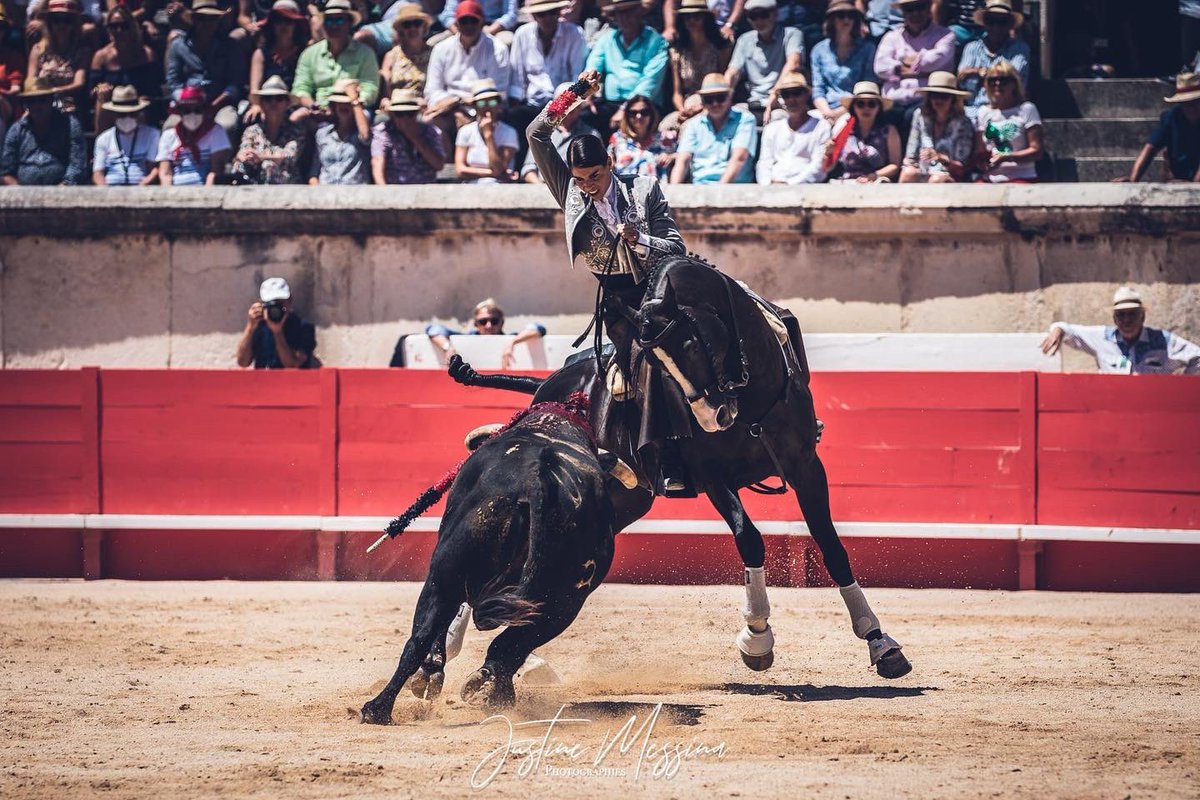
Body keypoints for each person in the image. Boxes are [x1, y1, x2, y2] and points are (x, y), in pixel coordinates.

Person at [526, 68, 689, 494]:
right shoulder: (570, 193)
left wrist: (641, 240)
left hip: (659, 293)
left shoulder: (644, 189)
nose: (588, 187)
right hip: (618, 305)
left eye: (595, 177)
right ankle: (668, 457)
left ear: (610, 165)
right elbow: (536, 133)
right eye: (580, 180)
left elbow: (676, 248)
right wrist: (576, 93)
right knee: (646, 361)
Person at [1040, 286, 1200, 375]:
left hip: (1153, 412)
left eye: (1132, 314)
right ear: (1114, 319)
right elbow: (1068, 330)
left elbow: (1197, 356)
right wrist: (1058, 330)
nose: (1127, 320)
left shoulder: (1162, 341)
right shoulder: (1103, 338)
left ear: (1143, 316)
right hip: (1112, 413)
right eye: (1121, 315)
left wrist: (1183, 387)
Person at [423, 0, 511, 146]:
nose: (469, 25)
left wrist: (472, 109)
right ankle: (445, 161)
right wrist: (457, 107)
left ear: (482, 22)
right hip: (450, 109)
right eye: (464, 21)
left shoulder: (497, 49)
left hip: (485, 109)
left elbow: (499, 92)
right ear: (456, 23)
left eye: (473, 20)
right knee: (429, 121)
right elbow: (432, 90)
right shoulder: (441, 49)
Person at [583, 0, 669, 133]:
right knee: (583, 116)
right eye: (620, 13)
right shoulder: (607, 39)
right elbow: (592, 67)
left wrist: (625, 109)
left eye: (629, 12)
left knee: (635, 117)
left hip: (643, 104)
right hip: (609, 103)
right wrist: (587, 92)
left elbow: (650, 82)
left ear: (639, 12)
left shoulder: (656, 41)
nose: (624, 18)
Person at [165, 0, 246, 137]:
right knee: (170, 128)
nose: (206, 24)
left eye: (212, 19)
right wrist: (188, 104)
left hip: (220, 104)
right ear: (194, 20)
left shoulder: (230, 46)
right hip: (186, 105)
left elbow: (235, 83)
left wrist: (215, 105)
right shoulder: (178, 46)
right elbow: (173, 82)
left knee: (227, 125)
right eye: (201, 18)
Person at [873, 0, 954, 137]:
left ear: (929, 8)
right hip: (893, 99)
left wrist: (901, 63)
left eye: (920, 7)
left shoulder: (946, 35)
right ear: (903, 13)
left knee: (913, 116)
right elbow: (880, 67)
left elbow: (933, 61)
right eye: (909, 9)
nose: (915, 13)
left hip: (925, 100)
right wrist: (922, 69)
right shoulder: (891, 37)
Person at [506, 0, 586, 137]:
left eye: (552, 13)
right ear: (534, 16)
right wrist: (516, 104)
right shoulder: (522, 34)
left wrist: (568, 104)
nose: (547, 19)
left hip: (564, 105)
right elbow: (517, 79)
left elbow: (576, 75)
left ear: (559, 12)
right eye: (542, 14)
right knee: (512, 118)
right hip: (532, 105)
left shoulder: (574, 33)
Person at [291, 0, 379, 112]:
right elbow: (300, 88)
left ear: (350, 23)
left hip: (353, 109)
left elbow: (370, 89)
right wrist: (313, 106)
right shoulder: (309, 54)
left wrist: (351, 104)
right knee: (297, 116)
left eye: (339, 20)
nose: (333, 26)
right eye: (329, 21)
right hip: (319, 110)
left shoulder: (365, 53)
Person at [724, 0, 805, 122]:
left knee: (779, 120)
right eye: (753, 16)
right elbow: (733, 72)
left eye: (763, 15)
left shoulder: (792, 34)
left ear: (775, 14)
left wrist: (775, 93)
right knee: (731, 119)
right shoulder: (745, 40)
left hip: (783, 102)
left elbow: (794, 63)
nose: (759, 21)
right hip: (753, 102)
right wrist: (724, 96)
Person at [671, 71, 756, 183]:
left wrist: (719, 190)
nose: (715, 103)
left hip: (735, 188)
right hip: (699, 187)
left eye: (720, 98)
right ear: (702, 101)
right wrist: (673, 190)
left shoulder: (745, 119)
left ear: (729, 97)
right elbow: (682, 161)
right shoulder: (694, 125)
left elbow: (739, 158)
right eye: (709, 99)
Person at [89, 6, 161, 131]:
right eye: (114, 26)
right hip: (112, 106)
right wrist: (99, 88)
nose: (119, 30)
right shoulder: (101, 56)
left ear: (132, 27)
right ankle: (103, 140)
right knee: (101, 99)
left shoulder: (146, 54)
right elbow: (91, 90)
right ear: (108, 29)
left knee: (141, 105)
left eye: (124, 26)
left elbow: (153, 90)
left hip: (137, 104)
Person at [1120, 73, 1200, 183]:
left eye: (1196, 102)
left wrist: (1193, 187)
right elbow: (1150, 149)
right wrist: (1133, 180)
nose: (1192, 108)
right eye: (1187, 104)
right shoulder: (1172, 117)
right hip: (1179, 177)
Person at [424, 298, 547, 369]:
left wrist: (513, 342)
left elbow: (538, 328)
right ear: (475, 324)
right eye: (483, 321)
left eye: (494, 321)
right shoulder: (467, 338)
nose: (489, 325)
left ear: (502, 322)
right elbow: (433, 329)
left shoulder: (510, 338)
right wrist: (448, 347)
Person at [956, 0, 1029, 120]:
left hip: (1008, 113)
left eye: (1001, 22)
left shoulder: (1019, 49)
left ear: (1010, 25)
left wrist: (977, 72)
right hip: (973, 112)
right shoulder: (971, 48)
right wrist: (997, 76)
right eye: (991, 21)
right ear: (984, 23)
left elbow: (1013, 77)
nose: (996, 27)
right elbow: (963, 81)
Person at [1, 84, 86, 185]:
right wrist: (19, 190)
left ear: (51, 100)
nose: (37, 105)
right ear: (25, 104)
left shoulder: (70, 125)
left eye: (42, 100)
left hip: (62, 189)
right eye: (31, 101)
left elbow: (77, 164)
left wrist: (64, 187)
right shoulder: (16, 129)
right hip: (22, 190)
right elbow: (6, 171)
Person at [973, 59, 1041, 183]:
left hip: (1021, 175)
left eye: (1003, 80)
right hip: (990, 177)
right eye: (992, 80)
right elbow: (979, 150)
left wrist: (1007, 157)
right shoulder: (982, 112)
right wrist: (982, 162)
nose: (997, 84)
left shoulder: (1027, 109)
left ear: (1014, 84)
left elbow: (1036, 151)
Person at [756, 72, 831, 184]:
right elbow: (764, 162)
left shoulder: (821, 127)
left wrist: (790, 184)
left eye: (796, 93)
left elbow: (819, 166)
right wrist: (767, 184)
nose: (791, 99)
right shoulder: (772, 129)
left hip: (806, 188)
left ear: (806, 95)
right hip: (773, 187)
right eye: (786, 94)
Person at [810, 0, 877, 124]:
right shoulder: (818, 50)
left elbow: (867, 86)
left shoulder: (868, 49)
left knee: (842, 127)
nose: (846, 20)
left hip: (856, 108)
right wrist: (827, 112)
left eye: (850, 16)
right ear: (832, 20)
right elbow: (818, 88)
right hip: (825, 109)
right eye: (841, 15)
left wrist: (840, 112)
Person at [899, 70, 972, 182]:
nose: (938, 101)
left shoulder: (963, 123)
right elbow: (911, 155)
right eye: (935, 96)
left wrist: (941, 158)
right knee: (908, 173)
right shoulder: (920, 115)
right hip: (923, 171)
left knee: (936, 179)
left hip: (950, 175)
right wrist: (911, 166)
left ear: (953, 99)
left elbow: (962, 167)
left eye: (944, 97)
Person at [230, 75, 305, 183]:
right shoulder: (252, 130)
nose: (273, 103)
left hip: (286, 181)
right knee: (239, 165)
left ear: (287, 103)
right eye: (268, 99)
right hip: (254, 177)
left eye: (279, 98)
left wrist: (260, 156)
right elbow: (244, 150)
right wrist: (243, 156)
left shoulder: (296, 131)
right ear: (261, 103)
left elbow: (289, 156)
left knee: (268, 165)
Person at [245, 0, 309, 124]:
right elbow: (254, 90)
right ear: (272, 24)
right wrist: (257, 106)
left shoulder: (305, 53)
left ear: (296, 25)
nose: (283, 25)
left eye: (288, 21)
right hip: (267, 106)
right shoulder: (260, 54)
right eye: (279, 20)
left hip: (295, 107)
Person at [235, 277, 318, 370]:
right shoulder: (259, 326)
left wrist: (277, 332)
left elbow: (292, 365)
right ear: (262, 304)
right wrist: (250, 327)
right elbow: (242, 362)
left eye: (281, 302)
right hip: (263, 379)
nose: (276, 307)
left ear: (289, 301)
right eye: (271, 304)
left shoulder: (304, 328)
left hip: (292, 380)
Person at [522, 80, 598, 182]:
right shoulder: (541, 133)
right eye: (566, 104)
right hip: (543, 185)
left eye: (575, 104)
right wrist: (540, 187)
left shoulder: (591, 134)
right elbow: (528, 168)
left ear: (580, 108)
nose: (569, 108)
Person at [156, 85, 233, 185]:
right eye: (187, 111)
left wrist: (207, 193)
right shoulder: (168, 135)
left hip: (205, 188)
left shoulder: (216, 132)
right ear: (180, 113)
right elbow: (165, 172)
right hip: (175, 189)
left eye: (197, 110)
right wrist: (169, 192)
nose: (192, 115)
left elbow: (216, 170)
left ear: (204, 111)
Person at [26, 0, 90, 115]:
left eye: (67, 20)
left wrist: (54, 91)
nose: (62, 25)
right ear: (49, 23)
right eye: (57, 20)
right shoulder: (38, 49)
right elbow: (30, 81)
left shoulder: (82, 52)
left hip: (69, 106)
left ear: (74, 24)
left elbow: (79, 83)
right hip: (40, 105)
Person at [669, 0, 733, 114]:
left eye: (697, 17)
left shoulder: (721, 48)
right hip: (687, 105)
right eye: (687, 17)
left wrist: (703, 106)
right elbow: (677, 93)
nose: (692, 21)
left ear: (706, 19)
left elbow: (725, 83)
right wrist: (682, 111)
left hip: (715, 102)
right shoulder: (677, 52)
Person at [371, 86, 446, 183]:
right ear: (393, 115)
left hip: (426, 189)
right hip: (395, 189)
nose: (405, 119)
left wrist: (415, 138)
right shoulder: (383, 132)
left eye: (410, 113)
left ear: (416, 114)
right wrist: (384, 191)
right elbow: (377, 164)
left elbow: (439, 164)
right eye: (400, 114)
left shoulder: (430, 131)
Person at [831, 79, 901, 182]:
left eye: (871, 104)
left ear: (879, 107)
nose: (866, 108)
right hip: (847, 182)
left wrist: (874, 176)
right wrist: (828, 154)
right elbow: (829, 167)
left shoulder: (889, 131)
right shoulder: (844, 129)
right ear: (854, 107)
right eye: (860, 104)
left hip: (876, 182)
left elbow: (894, 165)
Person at [92, 84, 160, 185]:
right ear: (114, 114)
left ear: (138, 113)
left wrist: (144, 184)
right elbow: (98, 173)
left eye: (132, 114)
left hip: (141, 188)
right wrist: (105, 190)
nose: (127, 118)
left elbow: (153, 168)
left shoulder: (152, 134)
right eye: (122, 114)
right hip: (111, 188)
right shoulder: (103, 138)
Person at [308, 78, 371, 184]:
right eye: (339, 102)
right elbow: (314, 173)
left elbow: (365, 136)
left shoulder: (360, 133)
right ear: (334, 105)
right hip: (325, 190)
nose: (343, 106)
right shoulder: (322, 134)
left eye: (348, 103)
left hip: (355, 191)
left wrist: (354, 100)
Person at [455, 77, 518, 182]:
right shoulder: (465, 131)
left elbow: (498, 167)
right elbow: (460, 170)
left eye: (492, 103)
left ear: (498, 106)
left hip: (499, 186)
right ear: (475, 107)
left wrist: (488, 135)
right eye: (481, 104)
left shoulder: (509, 132)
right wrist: (491, 173)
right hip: (470, 187)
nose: (487, 107)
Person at [607, 93, 673, 181]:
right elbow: (608, 164)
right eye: (633, 113)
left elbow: (682, 156)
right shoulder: (617, 138)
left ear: (652, 114)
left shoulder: (664, 137)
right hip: (625, 187)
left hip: (656, 187)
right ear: (627, 115)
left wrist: (671, 157)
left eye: (644, 112)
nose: (638, 116)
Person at [379, 4, 434, 97]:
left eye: (417, 23)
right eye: (407, 25)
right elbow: (385, 90)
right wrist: (386, 100)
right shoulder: (391, 56)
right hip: (397, 103)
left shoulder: (434, 53)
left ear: (424, 27)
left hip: (426, 102)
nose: (412, 28)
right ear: (401, 29)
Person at [439, 0, 519, 42]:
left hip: (495, 27)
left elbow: (511, 15)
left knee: (507, 41)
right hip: (463, 26)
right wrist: (462, 34)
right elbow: (447, 15)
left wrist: (490, 30)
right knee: (436, 43)